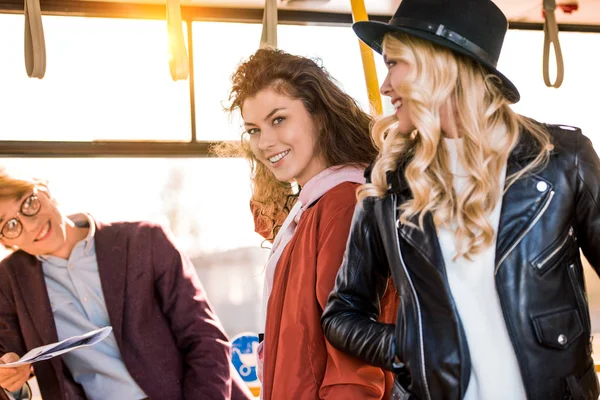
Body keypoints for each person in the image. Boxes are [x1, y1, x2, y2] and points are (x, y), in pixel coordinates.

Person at [321, 0, 600, 399]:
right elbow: (342, 313)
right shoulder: (386, 184)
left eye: (394, 64)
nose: (385, 86)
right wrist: (410, 348)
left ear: (440, 64)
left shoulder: (562, 160)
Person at [224, 48, 399, 399]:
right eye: (254, 130)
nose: (265, 142)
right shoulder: (311, 206)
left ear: (319, 115)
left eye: (279, 120)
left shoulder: (343, 206)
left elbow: (354, 366)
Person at [0, 168, 253, 400]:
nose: (30, 224)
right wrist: (12, 382)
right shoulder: (10, 280)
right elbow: (11, 367)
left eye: (28, 203)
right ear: (5, 240)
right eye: (10, 225)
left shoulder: (145, 241)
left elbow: (205, 338)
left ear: (44, 190)